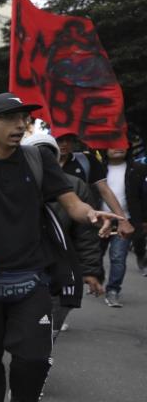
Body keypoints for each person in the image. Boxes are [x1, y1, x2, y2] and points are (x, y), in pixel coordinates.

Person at [0, 93, 120, 402]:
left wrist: (91, 214)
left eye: (24, 118)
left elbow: (72, 203)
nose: (21, 124)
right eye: (11, 118)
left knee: (34, 361)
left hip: (32, 280)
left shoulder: (39, 161)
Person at [21, 133, 103, 340]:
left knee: (46, 331)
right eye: (35, 154)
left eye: (49, 155)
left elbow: (85, 235)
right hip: (17, 270)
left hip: (59, 270)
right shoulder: (9, 185)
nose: (42, 160)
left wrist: (90, 271)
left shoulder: (76, 187)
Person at [56, 133, 135, 237]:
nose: (64, 144)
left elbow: (105, 190)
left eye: (68, 140)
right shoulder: (42, 164)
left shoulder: (86, 160)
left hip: (84, 224)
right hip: (51, 223)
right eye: (59, 140)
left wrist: (122, 220)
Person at [96, 145, 146, 307]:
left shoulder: (138, 169)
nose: (118, 148)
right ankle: (96, 281)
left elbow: (144, 196)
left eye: (122, 144)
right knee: (95, 255)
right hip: (100, 220)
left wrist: (143, 220)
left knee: (118, 257)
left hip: (125, 221)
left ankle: (113, 290)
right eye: (113, 145)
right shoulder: (97, 168)